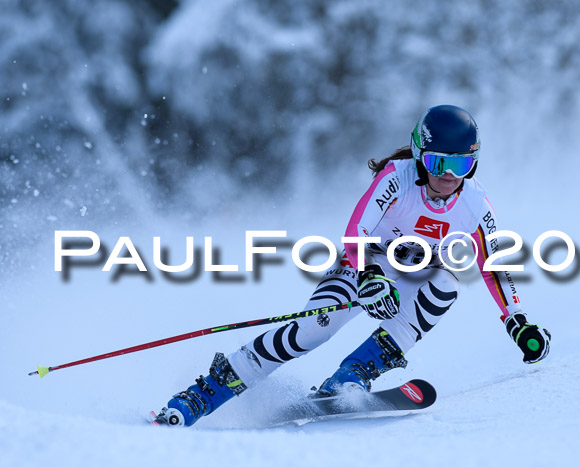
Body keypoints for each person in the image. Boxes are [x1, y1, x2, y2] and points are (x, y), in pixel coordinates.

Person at [153, 104, 551, 427]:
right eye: (437, 162)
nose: (447, 176)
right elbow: (355, 230)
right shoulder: (397, 177)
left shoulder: (475, 205)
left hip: (415, 273)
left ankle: (352, 376)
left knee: (446, 284)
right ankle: (203, 395)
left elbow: (493, 263)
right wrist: (369, 275)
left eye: (461, 166)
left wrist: (516, 319)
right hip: (364, 264)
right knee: (310, 331)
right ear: (418, 154)